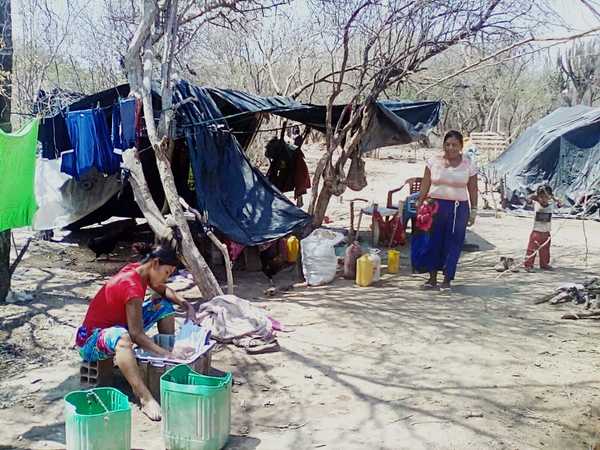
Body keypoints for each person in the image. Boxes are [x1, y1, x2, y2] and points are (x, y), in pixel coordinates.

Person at [75, 245, 196, 421]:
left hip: (116, 325)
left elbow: (163, 290)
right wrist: (167, 353)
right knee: (122, 337)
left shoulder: (138, 271)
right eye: (167, 272)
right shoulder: (131, 286)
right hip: (90, 340)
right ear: (155, 263)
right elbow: (136, 334)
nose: (166, 278)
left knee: (164, 306)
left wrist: (187, 305)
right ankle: (144, 397)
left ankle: (164, 367)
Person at [414, 130, 478, 291]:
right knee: (433, 241)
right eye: (447, 144)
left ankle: (447, 280)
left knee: (453, 243)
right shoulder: (433, 161)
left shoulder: (468, 163)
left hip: (458, 208)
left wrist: (474, 210)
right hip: (434, 207)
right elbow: (425, 184)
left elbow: (473, 188)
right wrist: (420, 203)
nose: (450, 148)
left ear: (461, 146)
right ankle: (432, 278)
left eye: (454, 145)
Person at [524, 185, 561, 272]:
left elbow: (561, 203)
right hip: (536, 232)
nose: (544, 199)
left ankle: (544, 264)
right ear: (538, 197)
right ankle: (528, 265)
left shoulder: (551, 205)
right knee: (531, 249)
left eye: (546, 197)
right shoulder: (536, 204)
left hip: (546, 232)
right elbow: (528, 198)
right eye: (541, 197)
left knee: (545, 250)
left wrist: (554, 198)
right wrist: (536, 195)